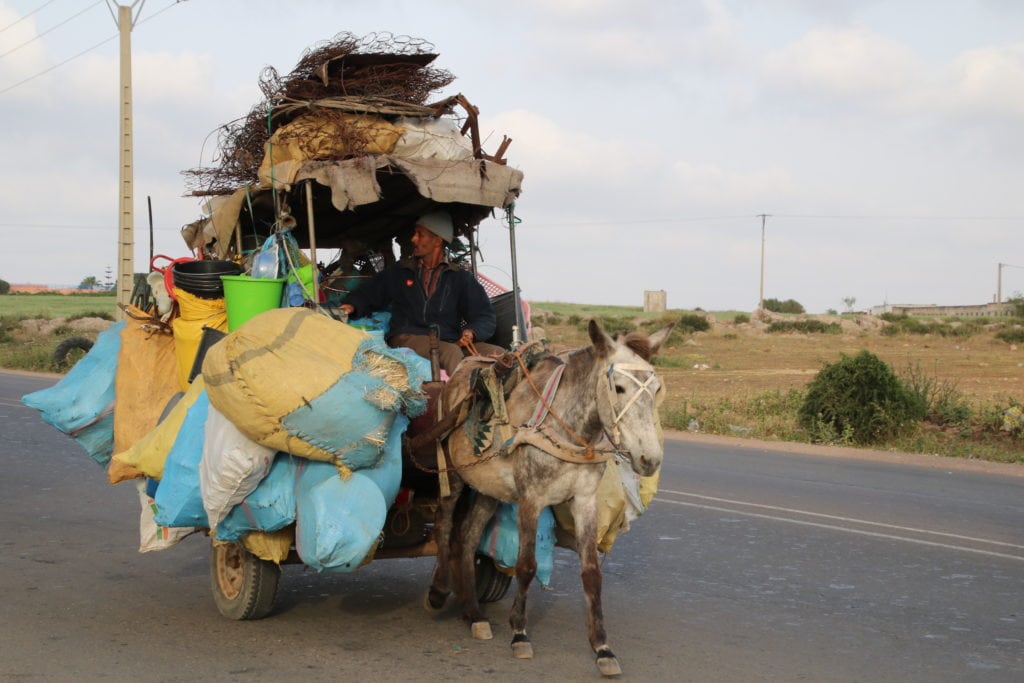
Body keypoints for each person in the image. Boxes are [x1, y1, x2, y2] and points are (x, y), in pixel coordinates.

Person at [339, 211, 504, 376]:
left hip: (448, 340)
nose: (413, 239)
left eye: (420, 234)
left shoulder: (460, 278)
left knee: (499, 354)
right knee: (451, 353)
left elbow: (484, 315)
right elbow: (370, 291)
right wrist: (352, 305)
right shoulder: (401, 271)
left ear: (437, 241)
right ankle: (461, 393)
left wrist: (472, 331)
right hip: (407, 337)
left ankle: (488, 393)